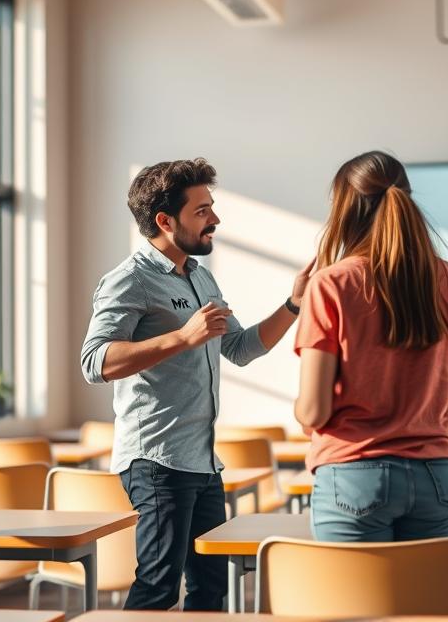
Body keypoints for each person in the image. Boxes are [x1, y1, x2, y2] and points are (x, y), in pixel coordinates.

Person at [81, 158, 313, 610]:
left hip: (203, 463)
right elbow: (94, 362)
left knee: (213, 587)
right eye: (202, 211)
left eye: (212, 207)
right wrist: (183, 337)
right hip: (156, 461)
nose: (215, 220)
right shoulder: (128, 280)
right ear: (165, 221)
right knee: (157, 586)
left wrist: (293, 303)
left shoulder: (201, 275)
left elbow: (241, 348)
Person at [293, 150, 448, 542]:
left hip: (353, 476)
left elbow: (313, 411)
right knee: (422, 602)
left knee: (355, 603)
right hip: (439, 477)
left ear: (346, 210)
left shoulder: (331, 284)